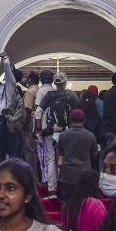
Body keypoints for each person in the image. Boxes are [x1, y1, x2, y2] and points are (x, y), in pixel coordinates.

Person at [38, 72, 80, 200]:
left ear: (55, 84)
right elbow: (78, 113)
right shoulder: (71, 95)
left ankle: (52, 190)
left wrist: (39, 129)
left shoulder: (49, 96)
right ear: (65, 82)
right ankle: (67, 187)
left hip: (51, 131)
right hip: (68, 131)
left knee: (52, 159)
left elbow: (38, 112)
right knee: (67, 158)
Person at [56, 109, 99, 209]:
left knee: (66, 202)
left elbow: (60, 152)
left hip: (67, 175)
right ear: (84, 121)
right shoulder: (90, 136)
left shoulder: (63, 135)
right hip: (84, 174)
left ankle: (66, 223)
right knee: (84, 203)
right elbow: (94, 154)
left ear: (70, 120)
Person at [0, 54, 21, 167]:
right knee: (2, 148)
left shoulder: (12, 85)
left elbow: (6, 67)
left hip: (2, 119)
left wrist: (5, 57)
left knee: (0, 149)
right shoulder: (3, 87)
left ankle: (7, 171)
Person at [33, 69, 55, 185]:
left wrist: (37, 129)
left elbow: (38, 110)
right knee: (53, 156)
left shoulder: (40, 91)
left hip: (42, 126)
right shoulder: (54, 91)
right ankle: (54, 179)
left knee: (42, 155)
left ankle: (46, 179)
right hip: (54, 127)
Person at [20, 71, 41, 173]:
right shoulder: (38, 90)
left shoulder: (29, 92)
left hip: (30, 120)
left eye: (27, 77)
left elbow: (28, 109)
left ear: (31, 80)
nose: (25, 79)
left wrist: (23, 124)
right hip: (39, 120)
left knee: (29, 151)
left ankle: (31, 176)